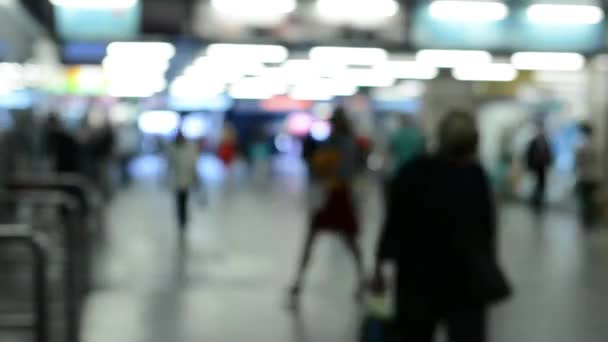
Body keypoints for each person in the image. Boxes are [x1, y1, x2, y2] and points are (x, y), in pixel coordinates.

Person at [374, 110, 511, 342]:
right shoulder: (475, 177)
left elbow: (394, 224)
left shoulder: (412, 171)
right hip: (465, 280)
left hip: (416, 278)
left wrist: (380, 264)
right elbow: (486, 232)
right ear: (473, 144)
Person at [289, 107, 364, 307]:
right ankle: (298, 282)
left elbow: (335, 169)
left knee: (336, 239)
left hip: (335, 195)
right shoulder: (342, 143)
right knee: (346, 240)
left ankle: (299, 283)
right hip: (333, 195)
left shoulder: (342, 144)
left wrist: (321, 165)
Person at [167, 130, 199, 232]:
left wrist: (195, 177)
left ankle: (183, 219)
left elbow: (193, 163)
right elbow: (169, 165)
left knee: (184, 200)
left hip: (186, 180)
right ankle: (181, 219)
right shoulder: (173, 149)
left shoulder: (190, 148)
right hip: (177, 180)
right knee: (179, 201)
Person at [576, 123, 600, 229]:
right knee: (589, 200)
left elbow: (578, 161)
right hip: (593, 176)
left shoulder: (582, 144)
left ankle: (587, 222)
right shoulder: (595, 144)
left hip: (585, 176)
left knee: (586, 200)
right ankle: (590, 221)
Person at [526, 123, 553, 213]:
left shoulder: (546, 142)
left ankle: (539, 201)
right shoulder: (533, 142)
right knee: (535, 184)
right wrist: (529, 165)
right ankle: (534, 201)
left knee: (542, 184)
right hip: (535, 166)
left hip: (543, 166)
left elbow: (549, 154)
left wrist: (548, 163)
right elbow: (529, 154)